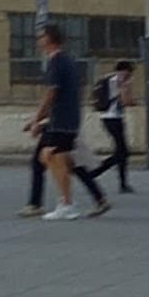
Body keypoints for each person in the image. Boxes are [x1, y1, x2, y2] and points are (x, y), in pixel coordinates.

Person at [20, 23, 111, 221]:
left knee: (51, 157)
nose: (38, 41)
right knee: (59, 160)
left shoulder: (57, 62)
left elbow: (52, 93)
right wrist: (39, 120)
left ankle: (65, 203)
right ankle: (97, 198)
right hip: (65, 119)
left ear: (49, 38)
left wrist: (37, 120)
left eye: (41, 37)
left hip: (60, 122)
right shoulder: (67, 61)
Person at [90, 60, 135, 194]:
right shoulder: (120, 82)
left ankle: (122, 183)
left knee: (121, 152)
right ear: (125, 70)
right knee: (123, 152)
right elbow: (126, 101)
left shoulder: (109, 79)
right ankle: (95, 172)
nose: (130, 75)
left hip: (107, 117)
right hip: (113, 118)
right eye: (130, 71)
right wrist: (128, 91)